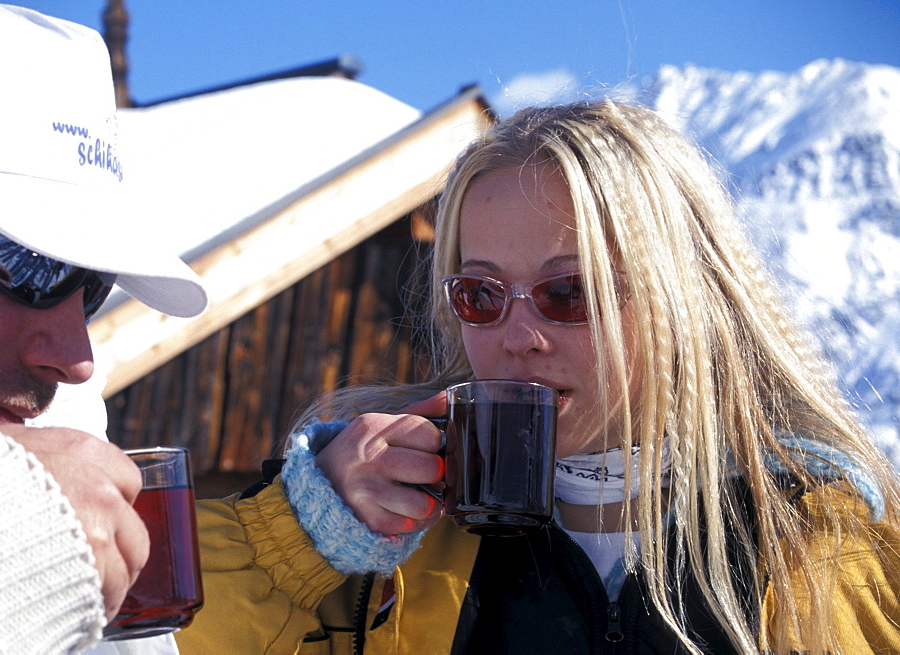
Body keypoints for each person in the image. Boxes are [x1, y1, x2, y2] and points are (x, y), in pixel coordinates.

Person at [177, 99, 900, 654]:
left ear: (683, 299)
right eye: (481, 296)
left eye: (570, 292)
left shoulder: (816, 534)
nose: (518, 337)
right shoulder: (380, 534)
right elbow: (141, 631)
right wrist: (298, 533)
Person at [0, 0, 208, 652]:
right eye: (27, 263)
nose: (76, 358)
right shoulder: (20, 505)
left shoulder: (66, 461)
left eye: (92, 286)